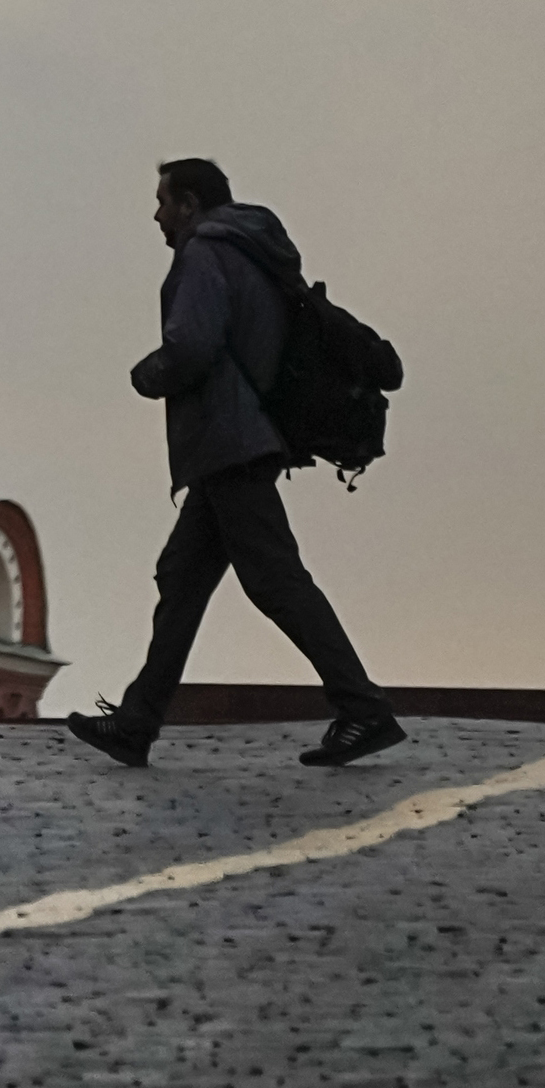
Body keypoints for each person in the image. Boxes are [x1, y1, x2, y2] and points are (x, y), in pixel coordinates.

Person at [66, 155, 403, 772]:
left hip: (228, 440)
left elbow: (192, 346)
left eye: (164, 201)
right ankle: (137, 722)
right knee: (183, 575)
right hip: (248, 438)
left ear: (191, 203)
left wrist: (149, 374)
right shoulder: (255, 249)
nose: (157, 215)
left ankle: (363, 707)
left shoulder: (204, 254)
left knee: (275, 578)